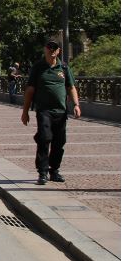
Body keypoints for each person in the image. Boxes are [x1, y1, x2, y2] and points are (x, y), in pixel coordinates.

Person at [21, 40, 82, 185]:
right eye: (49, 48)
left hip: (61, 111)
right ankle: (42, 172)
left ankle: (54, 170)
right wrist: (25, 112)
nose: (52, 50)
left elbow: (71, 87)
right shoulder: (38, 67)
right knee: (44, 138)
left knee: (59, 142)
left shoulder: (64, 67)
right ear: (45, 50)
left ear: (58, 51)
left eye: (54, 48)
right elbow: (30, 90)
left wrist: (76, 105)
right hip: (44, 110)